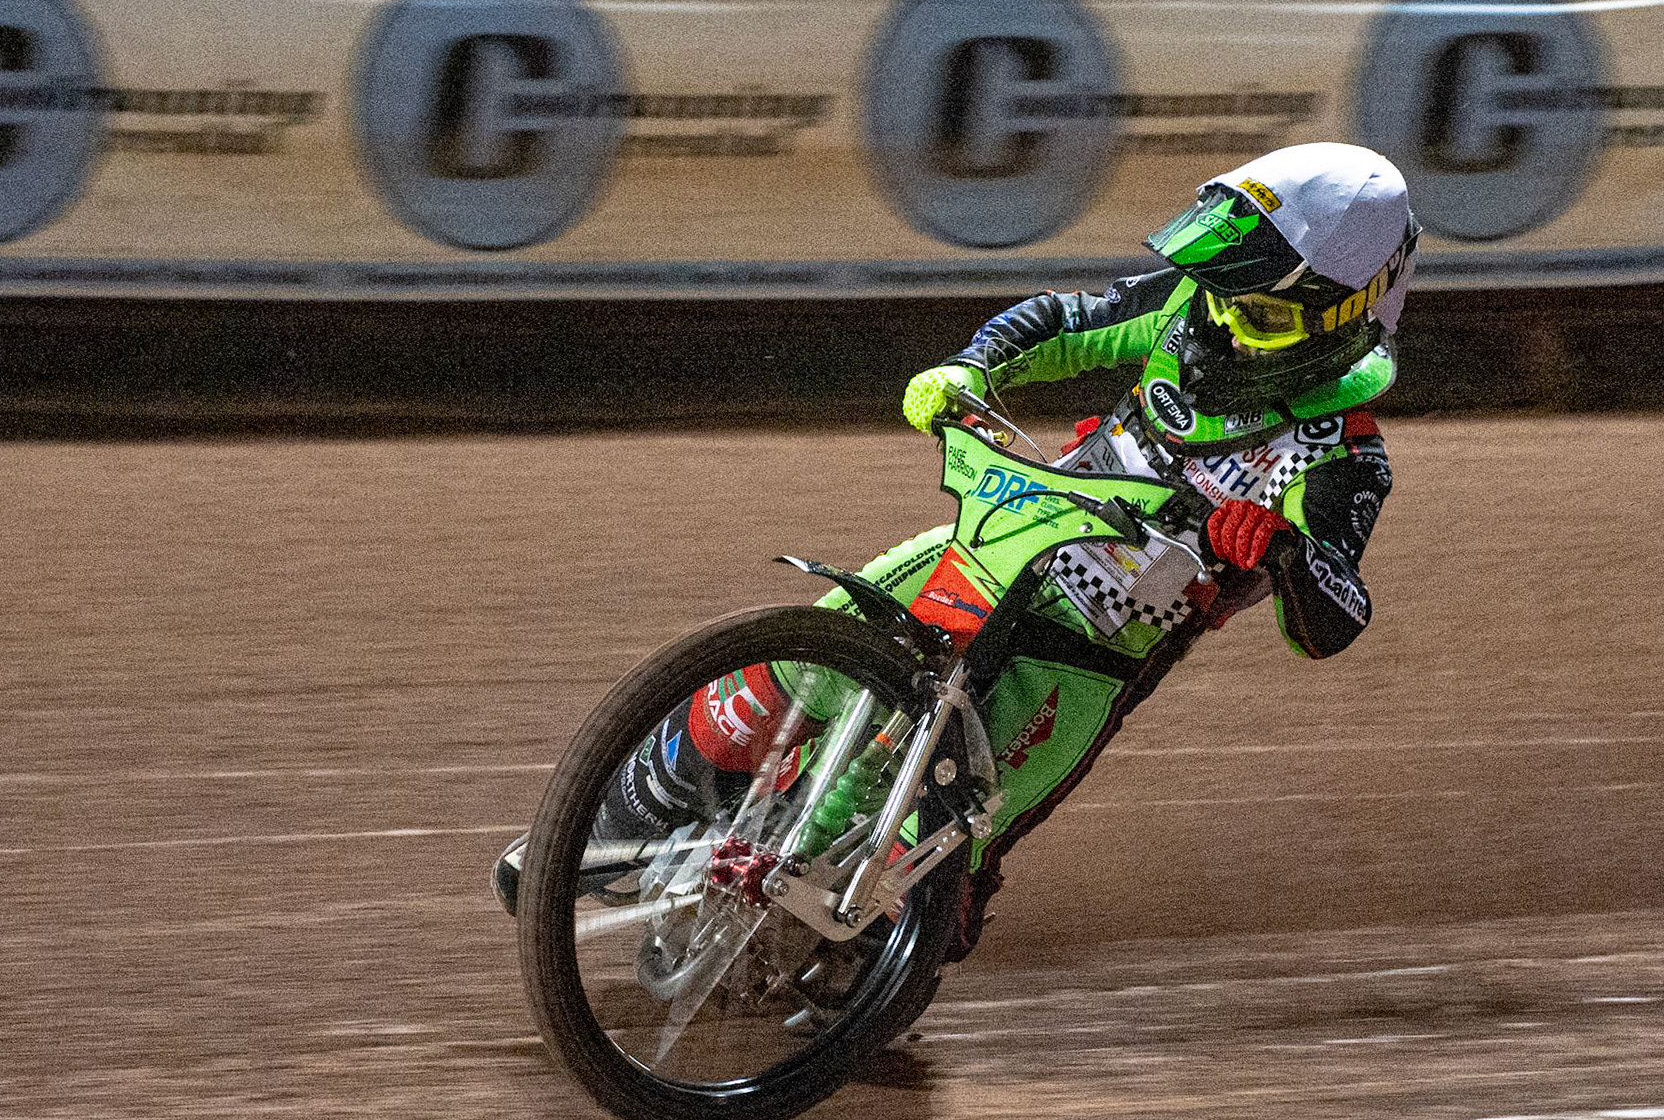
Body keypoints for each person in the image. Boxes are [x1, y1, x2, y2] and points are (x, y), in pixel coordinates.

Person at [495, 142, 1417, 958]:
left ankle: (870, 967)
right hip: (1006, 536)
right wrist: (969, 366)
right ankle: (601, 833)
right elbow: (1061, 321)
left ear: (1346, 315)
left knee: (938, 850)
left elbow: (1337, 613)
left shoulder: (1344, 451)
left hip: (1090, 650)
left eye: (1255, 313)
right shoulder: (1189, 304)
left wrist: (1287, 551)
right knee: (786, 666)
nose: (1218, 320)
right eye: (1218, 292)